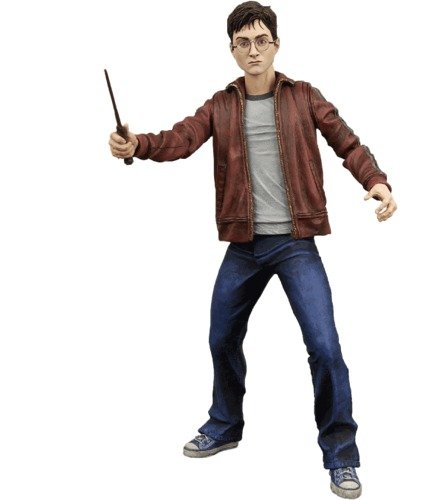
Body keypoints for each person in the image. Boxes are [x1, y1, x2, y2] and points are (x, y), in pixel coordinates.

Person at [108, 2, 397, 497]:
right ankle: (225, 425)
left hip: (295, 244)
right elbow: (180, 139)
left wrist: (376, 181)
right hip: (244, 246)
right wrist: (137, 145)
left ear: (276, 44)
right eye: (243, 43)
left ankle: (341, 455)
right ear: (232, 50)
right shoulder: (221, 105)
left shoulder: (304, 97)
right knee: (221, 337)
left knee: (325, 347)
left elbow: (347, 142)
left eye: (262, 40)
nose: (254, 50)